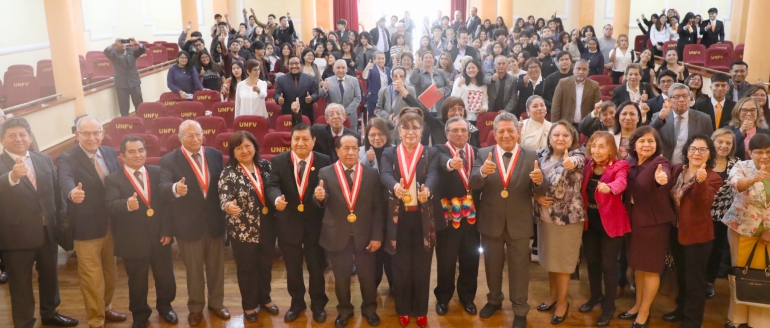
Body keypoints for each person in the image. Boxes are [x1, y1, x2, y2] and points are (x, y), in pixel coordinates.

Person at [470, 112, 548, 328]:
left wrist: (540, 181)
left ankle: (520, 308)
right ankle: (494, 300)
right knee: (492, 265)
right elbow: (473, 183)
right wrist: (482, 173)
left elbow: (540, 190)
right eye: (501, 131)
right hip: (491, 220)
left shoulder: (531, 155)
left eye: (510, 130)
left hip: (519, 221)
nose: (506, 135)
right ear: (494, 134)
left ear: (518, 132)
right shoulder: (483, 153)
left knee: (520, 268)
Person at [0, 118, 79, 328]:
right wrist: (11, 178)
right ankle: (24, 323)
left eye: (22, 134)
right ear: (2, 140)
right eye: (12, 135)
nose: (18, 139)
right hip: (16, 237)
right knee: (20, 284)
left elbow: (56, 191)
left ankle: (50, 313)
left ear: (30, 137)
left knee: (50, 277)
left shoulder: (43, 159)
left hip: (47, 232)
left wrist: (61, 218)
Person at [55, 117, 126, 327]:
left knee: (110, 274)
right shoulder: (67, 157)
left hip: (112, 224)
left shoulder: (109, 152)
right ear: (77, 135)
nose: (91, 138)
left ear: (103, 134)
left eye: (96, 133)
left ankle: (106, 307)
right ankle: (96, 319)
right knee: (91, 278)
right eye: (85, 133)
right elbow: (65, 179)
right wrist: (71, 192)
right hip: (85, 226)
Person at [159, 120, 229, 326]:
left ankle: (217, 303)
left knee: (217, 268)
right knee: (194, 270)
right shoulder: (169, 160)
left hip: (214, 221)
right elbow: (162, 186)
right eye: (190, 136)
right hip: (188, 225)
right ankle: (196, 308)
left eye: (198, 134)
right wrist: (175, 188)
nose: (195, 139)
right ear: (180, 138)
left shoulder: (215, 154)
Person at [104, 136, 177, 327]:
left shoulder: (157, 172)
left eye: (141, 150)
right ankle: (140, 314)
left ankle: (165, 307)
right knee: (137, 281)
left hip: (160, 236)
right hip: (133, 240)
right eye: (132, 151)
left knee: (165, 276)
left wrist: (167, 230)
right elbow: (110, 205)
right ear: (122, 156)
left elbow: (167, 205)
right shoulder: (113, 179)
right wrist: (126, 205)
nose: (138, 155)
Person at [314, 133, 383, 328]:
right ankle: (344, 311)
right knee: (341, 278)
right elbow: (321, 199)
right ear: (337, 151)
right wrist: (319, 197)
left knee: (367, 277)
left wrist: (377, 236)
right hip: (337, 234)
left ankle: (369, 309)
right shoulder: (326, 172)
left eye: (354, 148)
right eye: (346, 148)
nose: (351, 152)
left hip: (365, 235)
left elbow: (378, 208)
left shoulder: (371, 175)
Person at [265, 124, 331, 323]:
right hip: (288, 223)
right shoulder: (278, 161)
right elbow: (272, 185)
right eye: (296, 139)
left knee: (316, 268)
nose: (300, 143)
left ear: (313, 141)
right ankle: (297, 303)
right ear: (291, 141)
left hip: (315, 225)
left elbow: (328, 190)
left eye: (305, 139)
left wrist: (322, 196)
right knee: (292, 269)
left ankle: (318, 305)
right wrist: (276, 198)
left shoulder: (324, 160)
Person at [379, 112, 440, 328]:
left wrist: (428, 190)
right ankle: (403, 309)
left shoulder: (431, 152)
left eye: (415, 127)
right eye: (406, 127)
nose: (411, 132)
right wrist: (395, 186)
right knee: (401, 267)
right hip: (399, 219)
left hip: (423, 218)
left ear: (422, 130)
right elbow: (385, 174)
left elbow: (433, 175)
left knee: (422, 267)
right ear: (399, 130)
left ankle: (421, 310)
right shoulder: (389, 152)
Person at [216, 131, 277, 322]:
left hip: (267, 225)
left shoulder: (266, 166)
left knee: (265, 264)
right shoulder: (228, 173)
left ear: (255, 147)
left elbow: (274, 188)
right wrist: (228, 206)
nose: (244, 150)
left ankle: (265, 298)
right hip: (242, 228)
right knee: (246, 268)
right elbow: (224, 197)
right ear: (233, 152)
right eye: (239, 147)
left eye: (248, 146)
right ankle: (249, 305)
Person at [619, 125, 676, 328]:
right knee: (638, 266)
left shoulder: (660, 162)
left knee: (650, 269)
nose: (646, 144)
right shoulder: (629, 162)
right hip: (633, 220)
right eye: (641, 141)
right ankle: (637, 305)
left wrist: (661, 179)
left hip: (654, 223)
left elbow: (664, 177)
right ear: (634, 144)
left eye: (650, 141)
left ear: (656, 144)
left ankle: (644, 312)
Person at [663, 134, 721, 327]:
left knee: (695, 280)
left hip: (698, 236)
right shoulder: (679, 169)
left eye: (703, 149)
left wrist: (701, 181)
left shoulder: (713, 177)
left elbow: (703, 202)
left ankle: (692, 320)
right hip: (676, 231)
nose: (697, 153)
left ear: (709, 154)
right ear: (687, 151)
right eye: (693, 148)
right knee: (680, 274)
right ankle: (681, 309)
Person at [533, 122, 585, 325]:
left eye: (565, 135)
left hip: (567, 220)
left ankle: (563, 302)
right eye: (556, 134)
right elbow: (533, 183)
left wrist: (569, 162)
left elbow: (577, 163)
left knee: (563, 264)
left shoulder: (577, 156)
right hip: (544, 218)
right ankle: (553, 296)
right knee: (550, 260)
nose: (560, 138)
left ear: (572, 139)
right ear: (550, 137)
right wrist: (537, 197)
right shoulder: (541, 155)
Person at [579, 131, 631, 327]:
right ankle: (595, 296)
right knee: (592, 261)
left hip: (611, 224)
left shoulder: (620, 165)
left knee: (609, 266)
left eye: (602, 146)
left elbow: (621, 182)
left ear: (611, 149)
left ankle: (609, 306)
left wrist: (610, 188)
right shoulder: (588, 165)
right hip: (590, 223)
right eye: (594, 146)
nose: (596, 150)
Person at [433, 115, 481, 316]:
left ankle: (467, 297)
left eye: (463, 130)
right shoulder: (438, 150)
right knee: (446, 259)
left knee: (471, 258)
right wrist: (451, 164)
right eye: (455, 130)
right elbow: (442, 162)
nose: (460, 134)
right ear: (447, 133)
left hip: (472, 215)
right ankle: (443, 298)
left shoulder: (476, 152)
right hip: (448, 215)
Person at [721, 133, 770, 328]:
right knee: (740, 273)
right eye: (759, 152)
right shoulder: (741, 166)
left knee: (765, 275)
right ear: (750, 153)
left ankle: (761, 321)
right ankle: (737, 318)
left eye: (768, 152)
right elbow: (736, 184)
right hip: (741, 229)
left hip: (768, 233)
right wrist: (753, 179)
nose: (764, 156)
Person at [359, 118, 394, 290]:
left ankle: (394, 284)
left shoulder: (395, 151)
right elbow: (356, 178)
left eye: (380, 134)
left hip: (391, 207)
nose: (377, 138)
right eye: (372, 135)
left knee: (391, 248)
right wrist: (366, 160)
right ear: (366, 136)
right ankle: (372, 285)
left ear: (387, 134)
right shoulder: (360, 151)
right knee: (374, 249)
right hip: (369, 209)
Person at [650, 83, 714, 164]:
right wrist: (659, 119)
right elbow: (649, 134)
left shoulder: (704, 119)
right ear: (669, 100)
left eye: (685, 96)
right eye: (676, 97)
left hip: (691, 165)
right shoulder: (659, 116)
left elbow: (709, 145)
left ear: (690, 98)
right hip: (663, 164)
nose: (681, 100)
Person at [291, 103, 359, 163]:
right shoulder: (317, 131)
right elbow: (301, 132)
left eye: (338, 113)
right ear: (327, 119)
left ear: (344, 117)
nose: (335, 117)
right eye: (331, 114)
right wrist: (296, 115)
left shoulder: (354, 137)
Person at [550, 59, 601, 124]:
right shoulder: (563, 83)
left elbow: (597, 107)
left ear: (588, 71)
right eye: (578, 69)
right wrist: (555, 124)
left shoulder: (594, 85)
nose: (581, 72)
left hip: (586, 125)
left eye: (584, 69)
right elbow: (556, 106)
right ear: (574, 69)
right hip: (566, 124)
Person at [104, 37, 145, 117]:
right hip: (121, 83)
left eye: (123, 42)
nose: (122, 44)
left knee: (139, 104)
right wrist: (113, 45)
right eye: (120, 43)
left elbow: (143, 49)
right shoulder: (113, 53)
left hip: (134, 81)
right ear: (116, 45)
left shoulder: (132, 51)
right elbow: (106, 52)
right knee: (124, 107)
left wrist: (136, 43)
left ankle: (141, 120)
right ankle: (125, 122)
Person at [320, 60, 363, 131]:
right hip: (334, 118)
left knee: (351, 136)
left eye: (343, 68)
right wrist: (325, 88)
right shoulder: (328, 80)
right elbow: (321, 96)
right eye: (338, 68)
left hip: (350, 116)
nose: (340, 70)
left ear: (346, 69)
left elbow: (358, 97)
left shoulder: (354, 80)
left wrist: (346, 111)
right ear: (333, 69)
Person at [274, 57, 319, 121]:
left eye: (296, 63)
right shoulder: (281, 79)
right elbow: (276, 94)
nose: (294, 66)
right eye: (291, 64)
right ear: (287, 66)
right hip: (288, 115)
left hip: (306, 115)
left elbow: (316, 93)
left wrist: (311, 98)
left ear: (301, 65)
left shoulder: (310, 79)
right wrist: (279, 99)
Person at [362, 52, 391, 123]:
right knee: (374, 120)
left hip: (387, 98)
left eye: (383, 58)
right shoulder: (371, 69)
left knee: (386, 120)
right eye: (379, 59)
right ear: (374, 60)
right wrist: (367, 68)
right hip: (374, 99)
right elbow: (364, 77)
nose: (381, 60)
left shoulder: (388, 69)